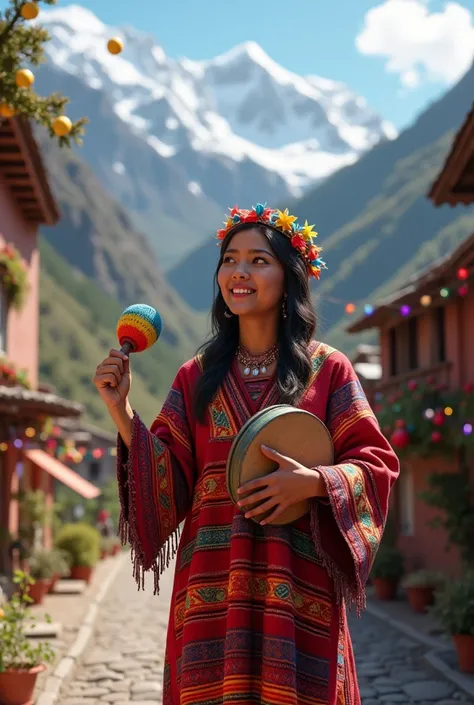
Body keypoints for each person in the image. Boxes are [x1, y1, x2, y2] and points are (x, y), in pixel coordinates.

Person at [93, 204, 399, 705]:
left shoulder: (329, 370)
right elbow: (168, 478)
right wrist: (122, 409)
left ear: (290, 277)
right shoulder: (194, 377)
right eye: (230, 259)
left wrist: (315, 482)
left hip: (299, 587)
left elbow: (376, 462)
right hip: (211, 585)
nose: (240, 271)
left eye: (259, 260)